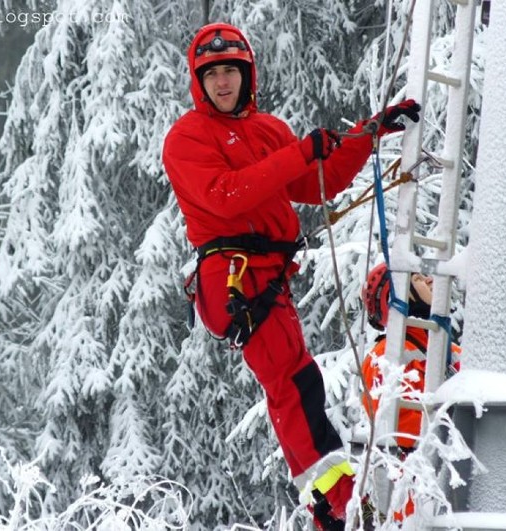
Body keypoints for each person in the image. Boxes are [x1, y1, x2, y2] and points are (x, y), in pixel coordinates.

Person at [162, 22, 420, 529]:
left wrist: (369, 132)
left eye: (230, 71)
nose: (221, 83)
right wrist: (300, 151)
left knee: (297, 379)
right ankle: (337, 501)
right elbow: (225, 194)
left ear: (246, 74)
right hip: (234, 276)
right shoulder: (187, 137)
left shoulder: (268, 130)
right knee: (293, 381)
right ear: (199, 81)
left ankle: (333, 499)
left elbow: (318, 182)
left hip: (268, 275)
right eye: (211, 74)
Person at [360, 263, 461, 520]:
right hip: (415, 505)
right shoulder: (383, 357)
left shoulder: (449, 351)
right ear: (399, 296)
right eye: (417, 278)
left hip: (451, 494)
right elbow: (401, 426)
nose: (429, 280)